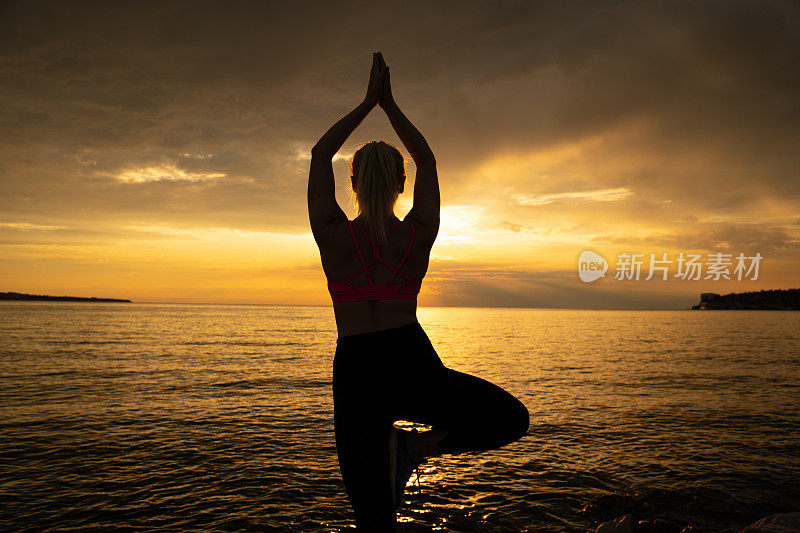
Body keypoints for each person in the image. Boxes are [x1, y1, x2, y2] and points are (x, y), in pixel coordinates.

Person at [308, 52, 529, 532]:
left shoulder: (331, 232)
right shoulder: (419, 231)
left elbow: (319, 153)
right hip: (409, 359)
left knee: (374, 521)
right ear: (403, 183)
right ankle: (413, 449)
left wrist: (368, 103)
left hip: (356, 370)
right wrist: (389, 105)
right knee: (510, 419)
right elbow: (427, 157)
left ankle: (405, 450)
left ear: (350, 183)